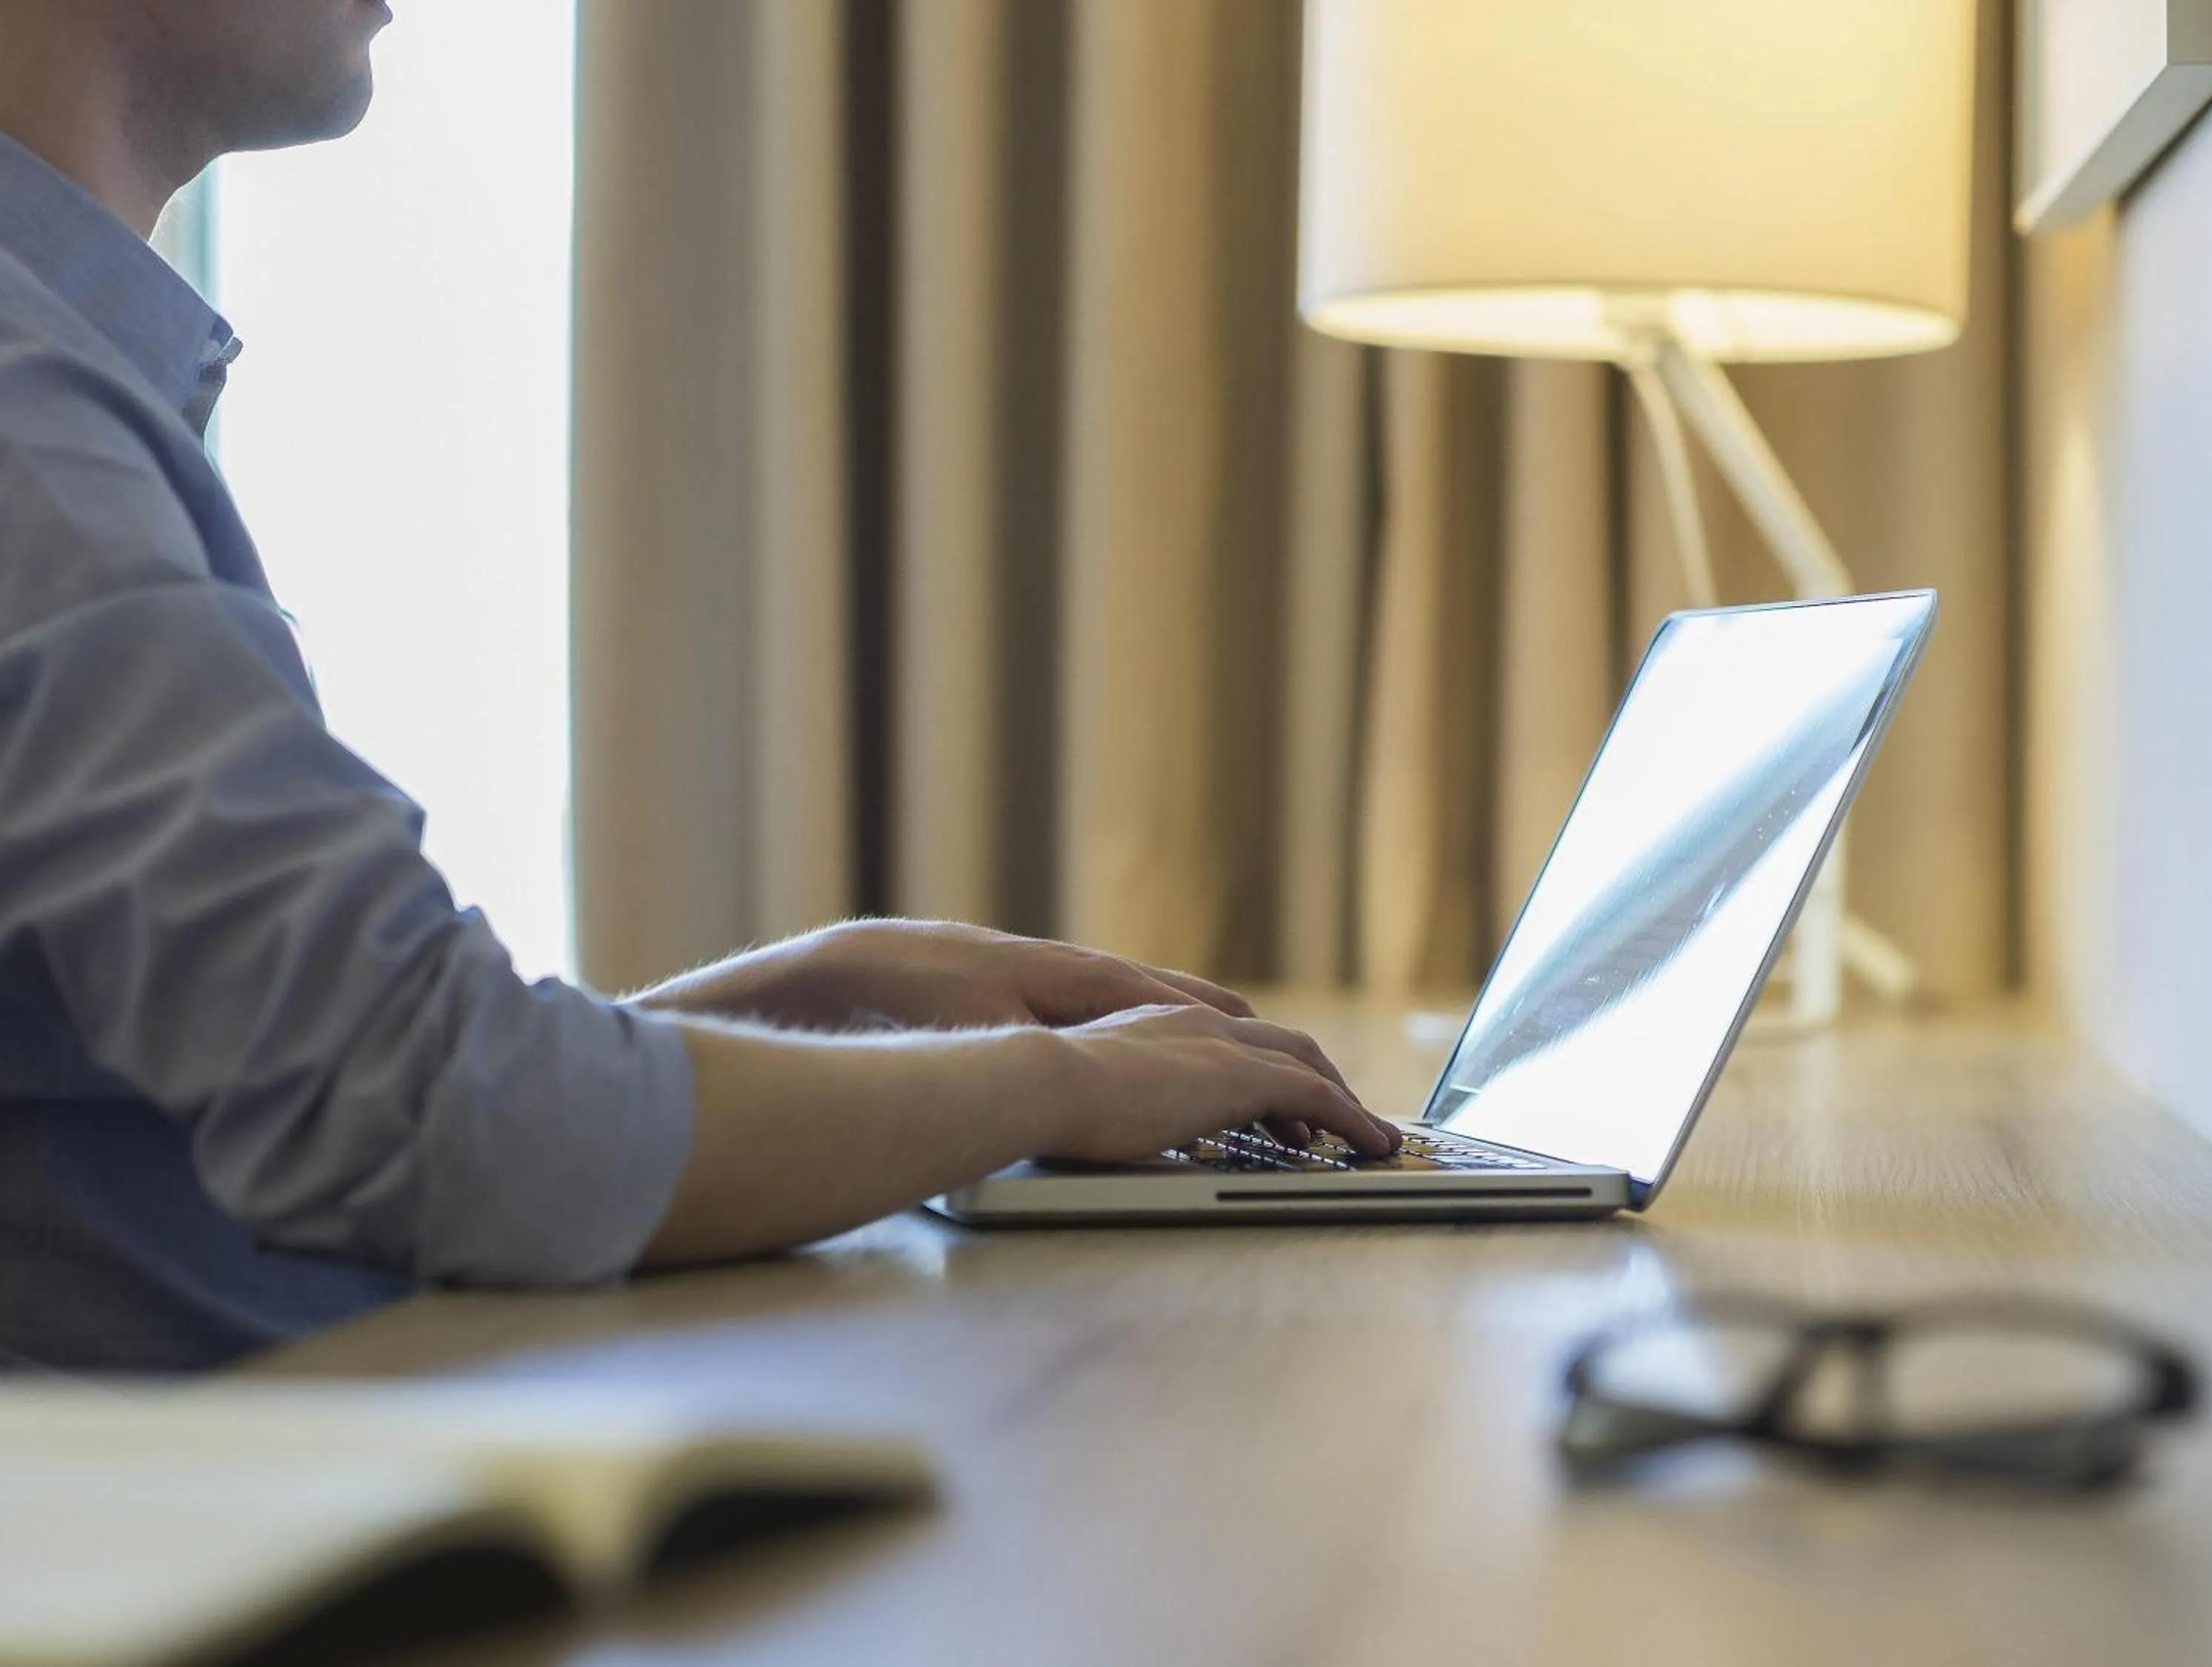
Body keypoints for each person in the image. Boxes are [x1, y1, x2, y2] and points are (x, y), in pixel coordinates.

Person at [0, 0, 1395, 1374]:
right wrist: (1066, 1087)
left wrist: (811, 998)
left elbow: (267, 1108)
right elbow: (425, 1114)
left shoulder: (63, 389)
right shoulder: (31, 421)